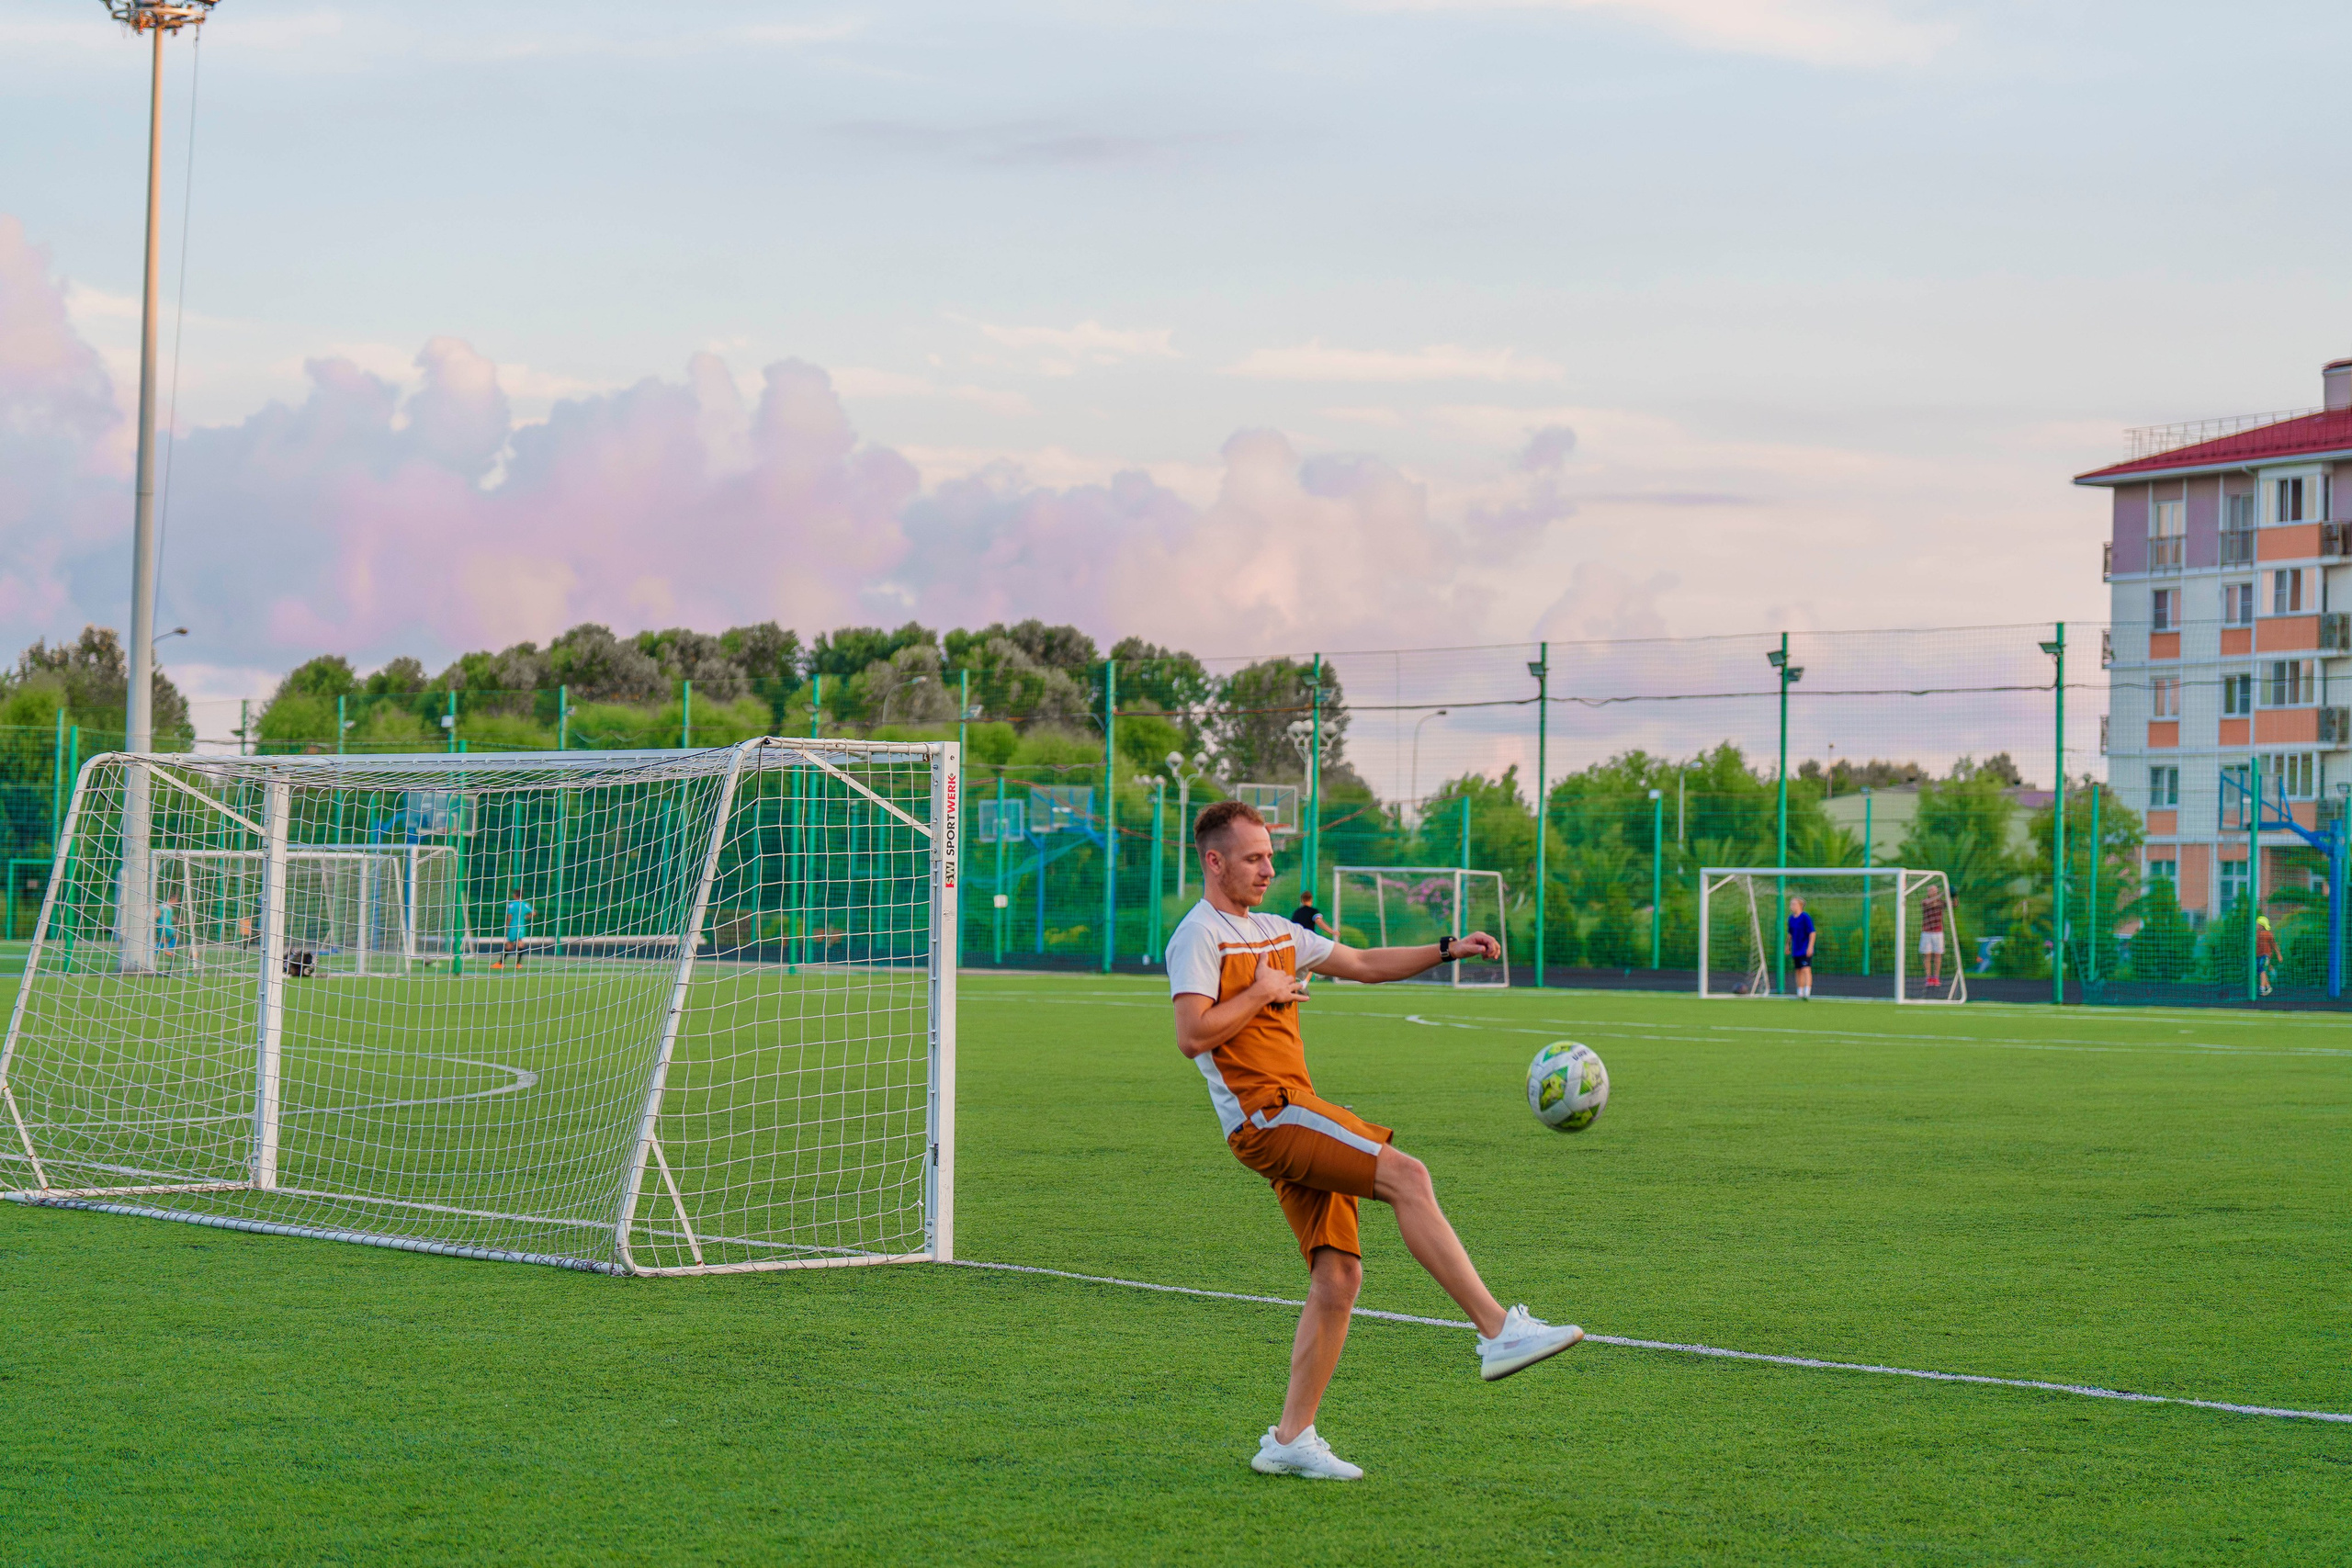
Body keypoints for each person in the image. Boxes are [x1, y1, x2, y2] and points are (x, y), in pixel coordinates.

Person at [1167, 800, 1583, 1483]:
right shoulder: (1199, 935)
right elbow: (1192, 1035)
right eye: (1253, 858)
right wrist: (1263, 990)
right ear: (1214, 861)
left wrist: (1448, 947)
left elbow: (1363, 961)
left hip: (1289, 1110)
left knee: (1339, 1275)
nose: (1268, 868)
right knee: (1408, 1176)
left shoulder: (1275, 930)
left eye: (1270, 855)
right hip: (1267, 1114)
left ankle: (1288, 1438)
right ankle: (1496, 1331)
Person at [496, 888, 532, 970]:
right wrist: (526, 917)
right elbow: (533, 913)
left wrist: (507, 926)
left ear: (515, 895)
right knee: (520, 943)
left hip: (513, 926)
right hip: (521, 927)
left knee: (509, 944)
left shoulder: (512, 905)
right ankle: (518, 964)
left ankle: (501, 963)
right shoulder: (525, 904)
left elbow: (510, 916)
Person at [1788, 895, 1815, 999]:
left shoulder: (1805, 917)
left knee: (1806, 969)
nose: (1792, 906)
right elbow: (1790, 934)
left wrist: (1810, 947)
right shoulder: (1791, 919)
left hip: (1804, 948)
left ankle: (1807, 993)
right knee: (1798, 970)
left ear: (1800, 905)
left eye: (1794, 904)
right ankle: (1800, 993)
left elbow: (1812, 933)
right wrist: (1787, 946)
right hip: (1796, 949)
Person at [1919, 886, 1947, 989]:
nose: (1932, 892)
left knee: (1938, 955)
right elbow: (1926, 903)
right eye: (1930, 890)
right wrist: (1941, 895)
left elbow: (1954, 905)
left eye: (1934, 890)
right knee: (1927, 955)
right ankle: (1928, 977)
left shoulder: (1941, 902)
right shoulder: (1925, 901)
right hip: (1927, 932)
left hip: (1938, 932)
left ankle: (1936, 977)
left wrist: (1954, 896)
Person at [2256, 915, 2278, 998]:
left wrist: (2279, 955)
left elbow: (2274, 945)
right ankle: (2268, 986)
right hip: (2258, 956)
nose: (2256, 925)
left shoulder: (2268, 934)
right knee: (2260, 970)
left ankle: (2262, 988)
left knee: (2262, 969)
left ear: (2262, 925)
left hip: (2265, 956)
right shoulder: (2256, 934)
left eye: (2257, 924)